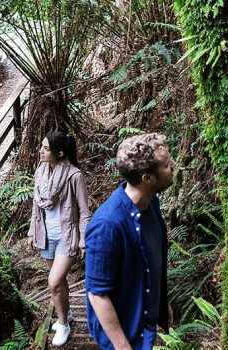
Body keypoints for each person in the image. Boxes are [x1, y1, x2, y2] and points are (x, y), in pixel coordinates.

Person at [85, 133, 175, 350]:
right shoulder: (107, 225)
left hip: (146, 325)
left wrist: (162, 304)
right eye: (165, 165)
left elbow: (150, 262)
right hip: (125, 334)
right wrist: (122, 346)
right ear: (147, 178)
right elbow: (97, 294)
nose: (173, 164)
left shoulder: (151, 203)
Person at [27, 131, 91, 347]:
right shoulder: (40, 172)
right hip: (46, 235)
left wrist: (83, 239)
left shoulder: (74, 176)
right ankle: (68, 312)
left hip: (67, 236)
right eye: (42, 147)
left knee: (53, 282)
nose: (41, 151)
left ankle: (63, 323)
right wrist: (31, 231)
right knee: (59, 281)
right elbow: (36, 206)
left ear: (60, 152)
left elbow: (84, 212)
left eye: (46, 148)